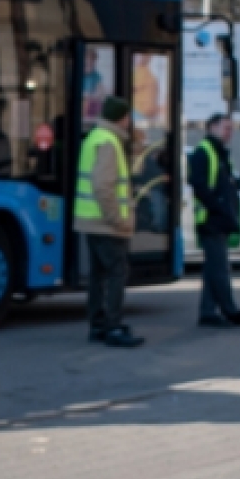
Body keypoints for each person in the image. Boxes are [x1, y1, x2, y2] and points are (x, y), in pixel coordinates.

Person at [75, 96, 143, 347]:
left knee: (98, 276)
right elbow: (102, 186)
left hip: (91, 221)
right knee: (116, 273)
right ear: (122, 118)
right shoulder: (109, 142)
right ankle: (113, 327)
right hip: (107, 224)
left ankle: (98, 325)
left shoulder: (95, 137)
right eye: (127, 116)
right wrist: (117, 218)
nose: (129, 121)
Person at [188, 112, 240, 328]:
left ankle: (208, 312)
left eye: (231, 128)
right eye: (226, 128)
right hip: (211, 220)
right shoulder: (204, 152)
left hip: (219, 219)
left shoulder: (219, 154)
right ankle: (230, 310)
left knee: (213, 268)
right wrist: (218, 206)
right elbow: (199, 185)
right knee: (219, 269)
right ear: (212, 128)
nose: (230, 132)